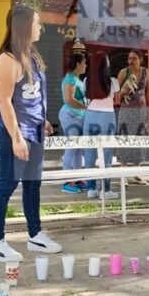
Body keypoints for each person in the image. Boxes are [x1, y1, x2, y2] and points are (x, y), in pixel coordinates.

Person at [0, 5, 62, 263]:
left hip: (35, 130)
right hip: (14, 133)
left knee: (32, 185)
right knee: (6, 185)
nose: (40, 27)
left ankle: (35, 235)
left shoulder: (31, 56)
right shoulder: (7, 59)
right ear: (23, 26)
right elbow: (5, 101)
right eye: (37, 23)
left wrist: (44, 120)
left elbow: (32, 95)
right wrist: (17, 138)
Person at [83, 52, 122, 200]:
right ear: (106, 65)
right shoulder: (113, 82)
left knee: (89, 154)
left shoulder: (87, 81)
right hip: (107, 117)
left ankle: (91, 189)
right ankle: (105, 190)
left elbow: (87, 97)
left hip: (90, 115)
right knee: (106, 154)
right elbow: (117, 101)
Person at [115, 50, 149, 185]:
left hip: (141, 111)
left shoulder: (146, 72)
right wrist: (124, 91)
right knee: (125, 138)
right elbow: (116, 94)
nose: (131, 61)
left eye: (134, 58)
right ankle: (123, 173)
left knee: (140, 139)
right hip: (126, 110)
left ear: (140, 60)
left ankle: (136, 173)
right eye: (129, 58)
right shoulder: (123, 72)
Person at [58, 53, 87, 194]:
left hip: (79, 116)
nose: (85, 65)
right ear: (78, 64)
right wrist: (86, 107)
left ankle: (77, 179)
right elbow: (69, 99)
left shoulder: (77, 80)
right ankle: (66, 181)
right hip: (70, 116)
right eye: (84, 63)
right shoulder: (70, 79)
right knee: (71, 147)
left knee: (78, 149)